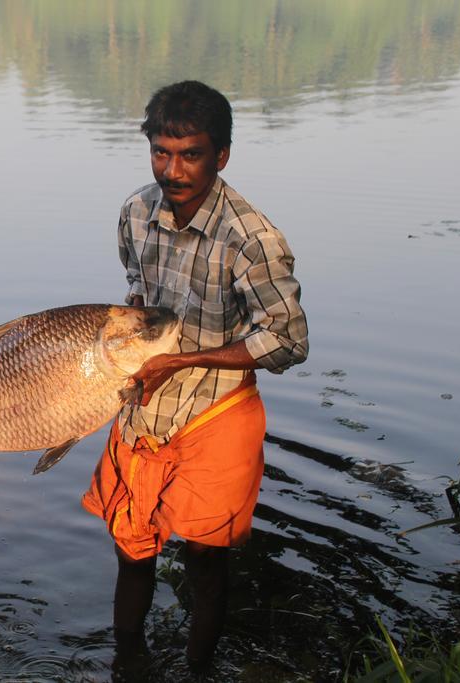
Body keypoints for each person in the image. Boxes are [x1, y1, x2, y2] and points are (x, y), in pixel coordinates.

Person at [81, 81, 309, 676]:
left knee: (207, 562)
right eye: (162, 152)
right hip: (143, 407)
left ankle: (199, 671)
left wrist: (182, 361)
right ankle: (128, 660)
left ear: (222, 156)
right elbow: (138, 299)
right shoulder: (136, 211)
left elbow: (287, 342)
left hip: (216, 413)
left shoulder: (251, 239)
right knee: (132, 554)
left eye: (191, 155)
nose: (173, 170)